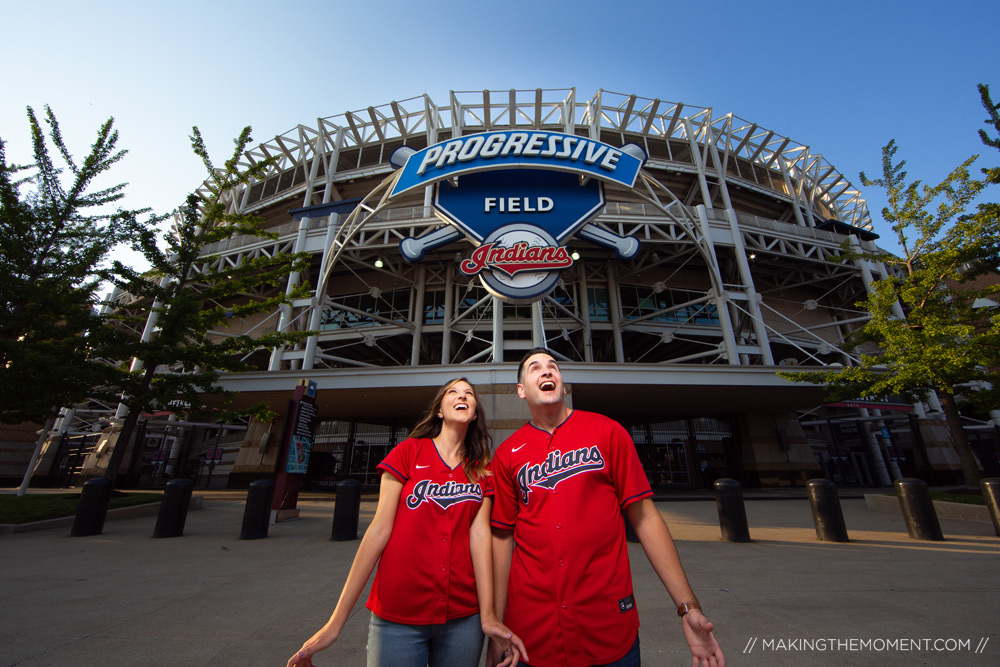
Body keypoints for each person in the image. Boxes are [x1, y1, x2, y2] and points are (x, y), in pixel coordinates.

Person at [487, 349, 725, 667]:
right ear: (521, 390)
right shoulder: (506, 454)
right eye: (535, 368)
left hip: (608, 628)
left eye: (553, 367)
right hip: (532, 634)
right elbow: (502, 538)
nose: (546, 372)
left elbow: (645, 518)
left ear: (562, 383)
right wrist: (497, 627)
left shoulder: (607, 431)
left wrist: (688, 606)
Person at [288, 378, 527, 667]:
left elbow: (480, 538)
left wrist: (488, 615)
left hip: (463, 618)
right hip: (397, 616)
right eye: (453, 392)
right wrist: (335, 624)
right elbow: (378, 530)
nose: (461, 396)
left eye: (468, 394)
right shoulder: (408, 452)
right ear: (439, 410)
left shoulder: (481, 469)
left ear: (475, 413)